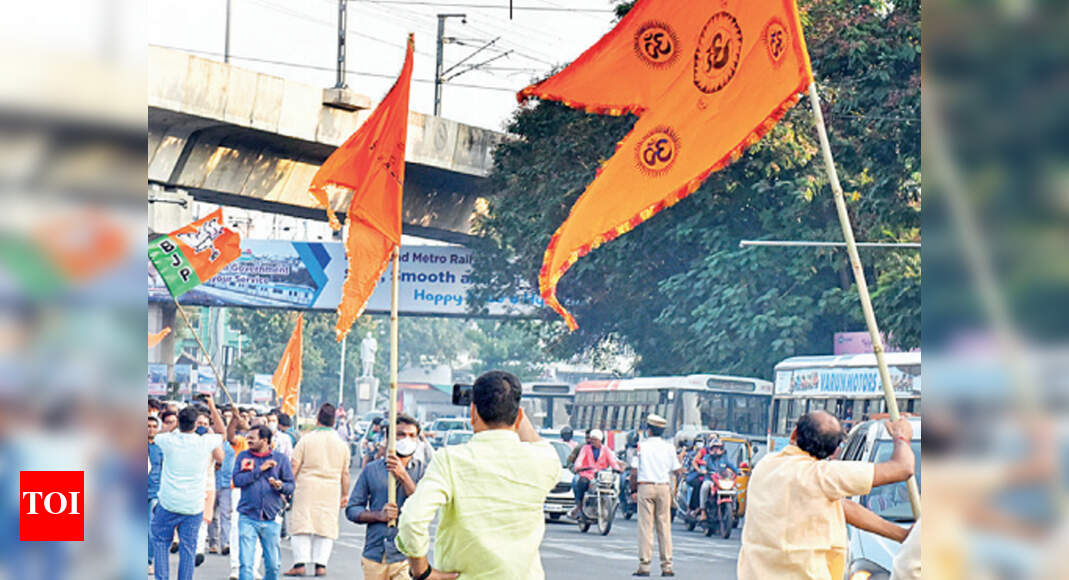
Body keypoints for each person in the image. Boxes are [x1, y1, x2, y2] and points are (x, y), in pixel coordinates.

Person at [396, 370, 560, 580]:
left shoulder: (450, 460)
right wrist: (511, 407)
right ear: (519, 416)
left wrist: (422, 571)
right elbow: (534, 439)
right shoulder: (544, 459)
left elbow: (412, 521)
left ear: (473, 412)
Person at [738, 412, 915, 579]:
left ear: (794, 434)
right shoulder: (823, 476)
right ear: (834, 451)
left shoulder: (766, 465)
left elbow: (844, 508)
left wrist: (902, 535)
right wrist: (901, 438)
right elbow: (902, 468)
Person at [150, 396, 226, 580]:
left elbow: (158, 432)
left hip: (168, 502)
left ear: (179, 422)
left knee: (161, 542)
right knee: (188, 548)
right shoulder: (204, 442)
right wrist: (212, 407)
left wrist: (174, 423)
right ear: (195, 425)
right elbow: (222, 433)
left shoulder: (168, 441)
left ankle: (162, 578)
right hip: (193, 505)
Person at [345, 414, 426, 580]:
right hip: (375, 554)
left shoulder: (423, 471)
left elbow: (422, 507)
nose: (406, 439)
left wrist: (403, 476)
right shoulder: (372, 470)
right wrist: (378, 516)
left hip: (406, 556)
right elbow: (352, 509)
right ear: (389, 438)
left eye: (412, 435)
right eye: (401, 435)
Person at [284, 403, 351, 577]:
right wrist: (345, 494)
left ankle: (300, 564)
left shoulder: (306, 439)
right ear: (334, 421)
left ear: (317, 419)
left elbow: (294, 465)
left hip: (306, 487)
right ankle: (321, 566)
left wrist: (287, 487)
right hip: (331, 489)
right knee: (325, 527)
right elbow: (345, 473)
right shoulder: (342, 445)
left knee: (302, 525)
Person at [233, 425, 295, 580]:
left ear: (265, 440)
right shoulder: (243, 457)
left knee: (273, 565)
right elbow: (238, 480)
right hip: (248, 516)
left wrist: (280, 486)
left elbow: (291, 486)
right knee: (246, 564)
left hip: (271, 518)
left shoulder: (280, 459)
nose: (249, 441)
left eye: (252, 438)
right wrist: (259, 469)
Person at [628, 414, 681, 577]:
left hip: (645, 487)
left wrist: (633, 490)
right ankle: (667, 566)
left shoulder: (641, 446)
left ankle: (644, 566)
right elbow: (677, 470)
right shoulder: (669, 447)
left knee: (646, 527)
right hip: (664, 487)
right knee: (664, 527)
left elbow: (634, 471)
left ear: (648, 430)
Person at [569, 428, 623, 519]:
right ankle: (579, 506)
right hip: (587, 475)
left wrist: (617, 469)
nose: (592, 441)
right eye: (592, 439)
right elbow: (579, 460)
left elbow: (612, 461)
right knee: (581, 483)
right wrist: (578, 467)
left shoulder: (606, 450)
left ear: (600, 440)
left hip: (601, 476)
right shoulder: (585, 449)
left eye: (595, 440)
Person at [209, 416, 237, 555]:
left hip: (226, 485)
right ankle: (213, 543)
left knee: (226, 515)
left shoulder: (229, 445)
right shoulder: (209, 444)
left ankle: (225, 543)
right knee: (211, 515)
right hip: (211, 484)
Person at [696, 436, 739, 520]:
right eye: (714, 447)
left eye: (718, 447)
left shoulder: (725, 458)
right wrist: (703, 470)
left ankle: (733, 512)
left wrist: (738, 472)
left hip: (722, 480)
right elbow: (702, 466)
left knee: (735, 490)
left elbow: (733, 467)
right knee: (704, 487)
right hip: (710, 480)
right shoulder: (707, 458)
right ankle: (703, 511)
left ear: (721, 448)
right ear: (710, 449)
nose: (716, 450)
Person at [148, 415, 164, 573]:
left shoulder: (161, 447)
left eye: (154, 426)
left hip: (154, 493)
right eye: (148, 425)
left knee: (151, 529)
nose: (151, 429)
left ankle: (148, 560)